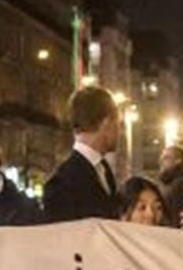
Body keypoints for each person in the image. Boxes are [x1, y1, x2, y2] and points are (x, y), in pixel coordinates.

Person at [42, 85, 123, 223]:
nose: (119, 131)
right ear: (106, 123)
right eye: (118, 124)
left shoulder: (103, 170)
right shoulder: (61, 184)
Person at [157, 144, 183, 223]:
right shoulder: (168, 184)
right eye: (161, 158)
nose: (161, 161)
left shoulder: (180, 186)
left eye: (166, 158)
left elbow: (177, 219)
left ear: (178, 161)